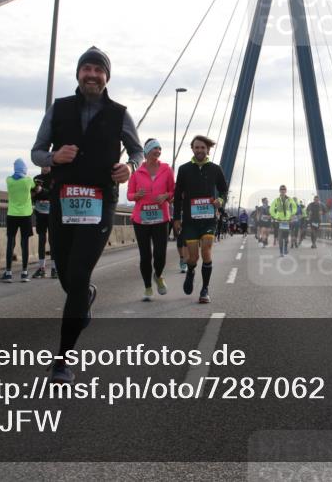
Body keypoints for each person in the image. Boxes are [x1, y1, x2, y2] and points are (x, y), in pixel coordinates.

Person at [31, 46, 143, 383]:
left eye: (98, 70)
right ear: (78, 74)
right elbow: (36, 152)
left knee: (78, 275)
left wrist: (130, 167)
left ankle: (62, 360)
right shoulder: (59, 108)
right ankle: (86, 296)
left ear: (107, 77)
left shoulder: (120, 113)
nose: (92, 75)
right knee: (66, 276)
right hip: (63, 201)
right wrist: (54, 158)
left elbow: (137, 150)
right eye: (87, 69)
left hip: (100, 202)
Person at [173, 135, 229, 304]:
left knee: (206, 251)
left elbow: (223, 191)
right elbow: (177, 196)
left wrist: (220, 201)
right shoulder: (183, 169)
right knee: (193, 257)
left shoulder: (215, 169)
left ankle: (204, 289)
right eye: (196, 147)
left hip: (209, 219)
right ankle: (190, 271)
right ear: (192, 149)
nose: (199, 150)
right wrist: (176, 218)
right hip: (190, 220)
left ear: (208, 150)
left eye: (202, 148)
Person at [127, 138, 175, 301]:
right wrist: (136, 196)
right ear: (147, 151)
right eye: (155, 149)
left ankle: (158, 275)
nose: (158, 151)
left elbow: (173, 191)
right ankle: (148, 287)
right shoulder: (137, 173)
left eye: (160, 149)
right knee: (145, 256)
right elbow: (129, 194)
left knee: (160, 254)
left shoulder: (167, 170)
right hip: (141, 220)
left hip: (161, 218)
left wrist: (167, 196)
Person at [3, 158, 34, 283]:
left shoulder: (9, 180)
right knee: (24, 243)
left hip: (12, 214)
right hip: (26, 215)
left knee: (10, 242)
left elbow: (12, 178)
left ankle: (9, 272)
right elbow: (34, 187)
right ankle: (24, 273)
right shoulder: (28, 181)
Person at [31, 166, 57, 279]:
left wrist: (42, 191)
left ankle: (54, 269)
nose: (45, 167)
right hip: (40, 213)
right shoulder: (36, 178)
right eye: (43, 165)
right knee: (41, 240)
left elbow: (53, 194)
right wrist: (34, 192)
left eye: (47, 165)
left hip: (52, 213)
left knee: (53, 241)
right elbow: (32, 197)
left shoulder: (54, 178)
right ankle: (41, 268)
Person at [270, 186, 297, 257]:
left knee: (286, 237)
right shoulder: (276, 200)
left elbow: (294, 207)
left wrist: (292, 215)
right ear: (279, 191)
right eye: (281, 189)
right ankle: (281, 251)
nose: (283, 190)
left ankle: (285, 248)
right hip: (279, 221)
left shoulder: (289, 199)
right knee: (280, 237)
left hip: (287, 220)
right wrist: (276, 216)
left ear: (286, 190)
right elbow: (271, 209)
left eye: (284, 189)